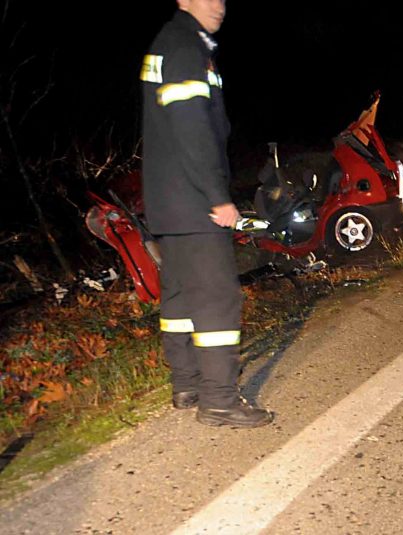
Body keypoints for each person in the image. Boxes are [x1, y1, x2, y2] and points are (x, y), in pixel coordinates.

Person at [142, 0, 273, 427]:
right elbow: (192, 127)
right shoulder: (184, 45)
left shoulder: (171, 42)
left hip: (169, 202)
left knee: (180, 296)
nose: (220, 5)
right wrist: (218, 196)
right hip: (193, 199)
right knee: (217, 297)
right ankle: (218, 400)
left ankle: (188, 384)